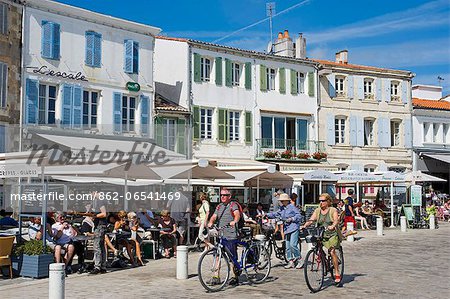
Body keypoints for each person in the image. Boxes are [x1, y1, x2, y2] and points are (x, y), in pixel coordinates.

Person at [301, 193, 342, 283]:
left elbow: (336, 221)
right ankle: (322, 259)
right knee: (317, 247)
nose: (321, 202)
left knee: (332, 251)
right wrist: (305, 225)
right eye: (320, 201)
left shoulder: (332, 210)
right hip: (321, 233)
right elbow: (311, 220)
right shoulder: (317, 210)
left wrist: (332, 226)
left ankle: (337, 272)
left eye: (323, 201)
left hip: (331, 234)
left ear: (328, 201)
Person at [208, 187, 241, 286]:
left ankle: (235, 277)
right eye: (221, 195)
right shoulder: (219, 206)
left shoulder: (233, 205)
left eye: (225, 195)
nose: (222, 197)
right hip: (220, 235)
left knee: (232, 257)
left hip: (231, 235)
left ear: (229, 196)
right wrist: (210, 222)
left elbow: (237, 215)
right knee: (217, 255)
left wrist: (234, 221)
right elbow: (214, 216)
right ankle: (216, 276)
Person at [264, 193, 303, 269]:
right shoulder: (282, 208)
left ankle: (299, 259)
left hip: (294, 227)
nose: (281, 202)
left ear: (287, 201)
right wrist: (266, 215)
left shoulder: (292, 207)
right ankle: (290, 261)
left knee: (293, 245)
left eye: (283, 200)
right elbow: (275, 214)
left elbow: (299, 216)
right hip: (287, 229)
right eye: (281, 200)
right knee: (287, 246)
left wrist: (292, 219)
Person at [90, 191, 108, 275]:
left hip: (100, 226)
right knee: (101, 246)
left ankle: (97, 266)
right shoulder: (103, 200)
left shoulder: (100, 200)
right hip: (102, 225)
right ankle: (103, 266)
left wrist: (95, 216)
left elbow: (104, 214)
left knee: (97, 246)